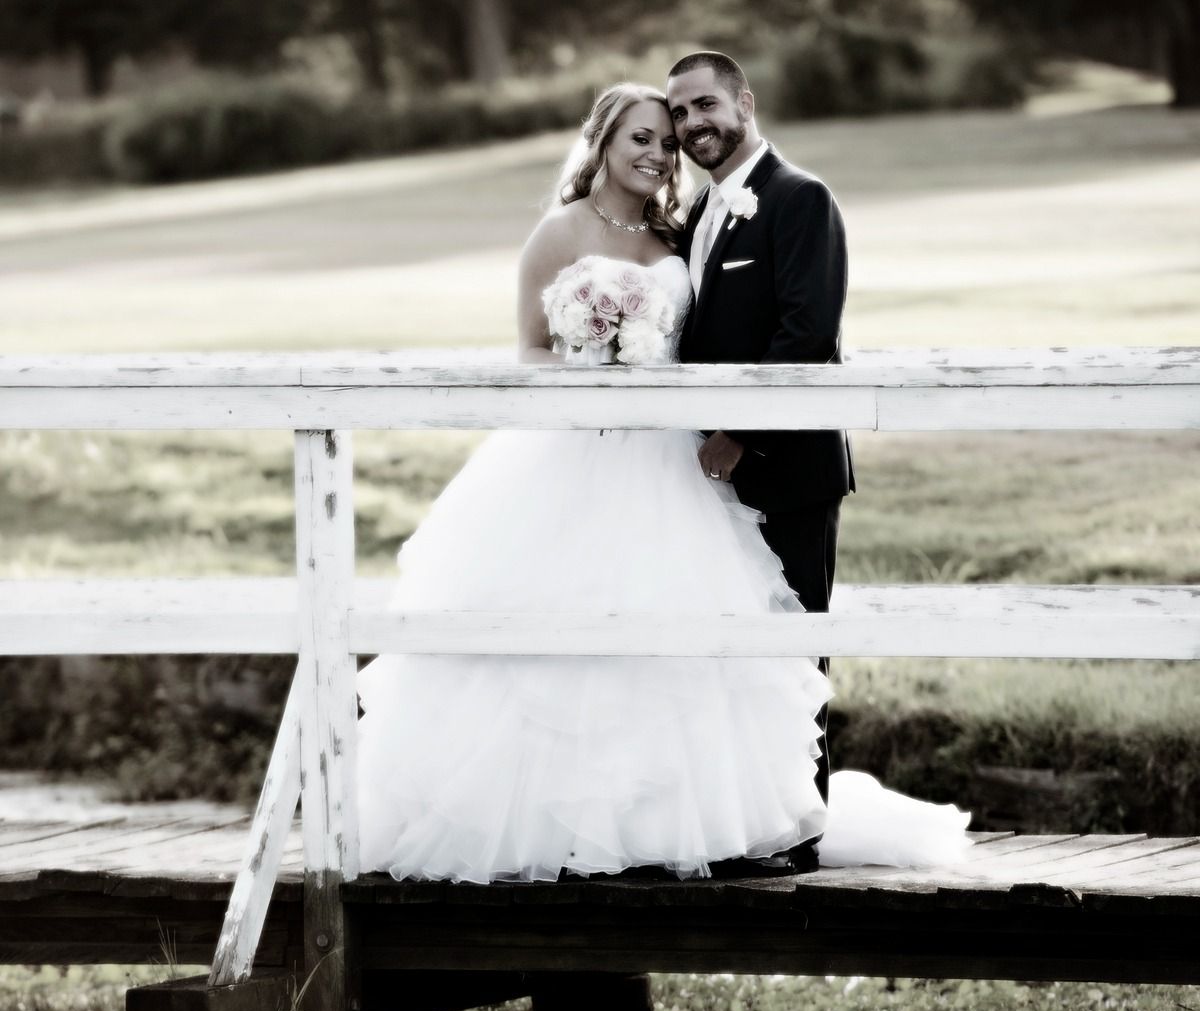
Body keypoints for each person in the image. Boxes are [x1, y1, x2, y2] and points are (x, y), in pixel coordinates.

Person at [355, 82, 967, 883]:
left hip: (671, 464)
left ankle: (665, 826)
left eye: (666, 144)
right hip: (579, 461)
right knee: (561, 630)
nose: (656, 154)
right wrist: (596, 365)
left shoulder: (676, 234)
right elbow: (530, 355)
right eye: (640, 138)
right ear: (603, 140)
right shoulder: (559, 232)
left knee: (690, 633)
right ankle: (560, 829)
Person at [667, 50, 853, 843]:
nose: (691, 125)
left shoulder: (799, 199)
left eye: (704, 105)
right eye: (678, 114)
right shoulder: (696, 217)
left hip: (786, 469)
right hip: (708, 479)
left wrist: (740, 434)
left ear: (744, 100)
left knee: (793, 652)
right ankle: (739, 824)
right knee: (726, 655)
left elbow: (806, 333)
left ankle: (800, 830)